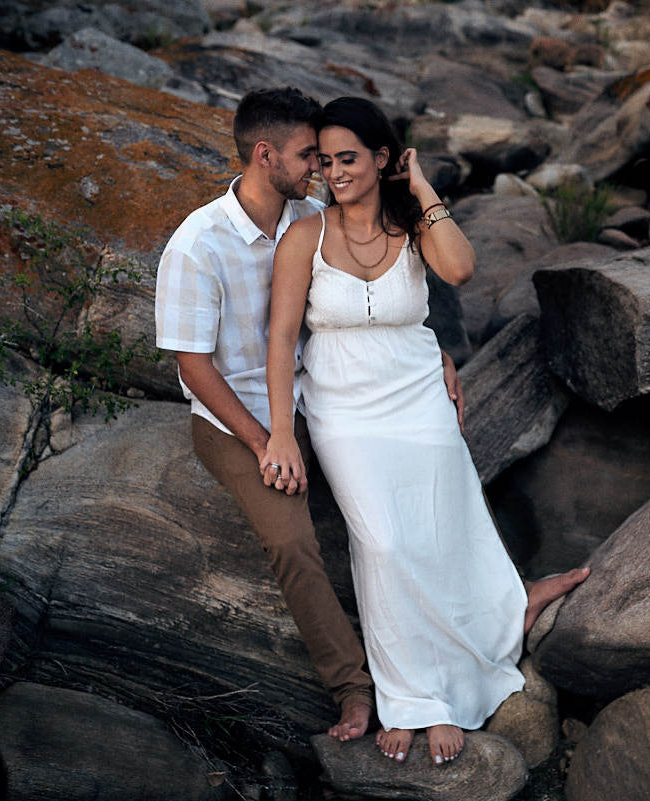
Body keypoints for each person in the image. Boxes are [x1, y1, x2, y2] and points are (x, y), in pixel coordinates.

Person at [263, 97, 587, 767]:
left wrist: (420, 187)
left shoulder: (412, 226)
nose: (334, 172)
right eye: (325, 161)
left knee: (446, 525)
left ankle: (509, 610)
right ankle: (414, 697)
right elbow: (281, 338)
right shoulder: (305, 237)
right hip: (344, 409)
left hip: (419, 395)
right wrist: (280, 433)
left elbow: (461, 269)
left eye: (348, 158)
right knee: (384, 544)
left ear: (382, 157)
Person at [154, 87, 459, 743]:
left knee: (421, 473)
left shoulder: (314, 215)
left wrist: (434, 355)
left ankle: (482, 613)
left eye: (325, 157)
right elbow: (194, 367)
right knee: (293, 540)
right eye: (307, 156)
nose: (319, 168)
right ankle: (353, 686)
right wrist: (267, 442)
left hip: (325, 393)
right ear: (264, 155)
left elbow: (378, 291)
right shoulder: (198, 244)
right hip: (236, 415)